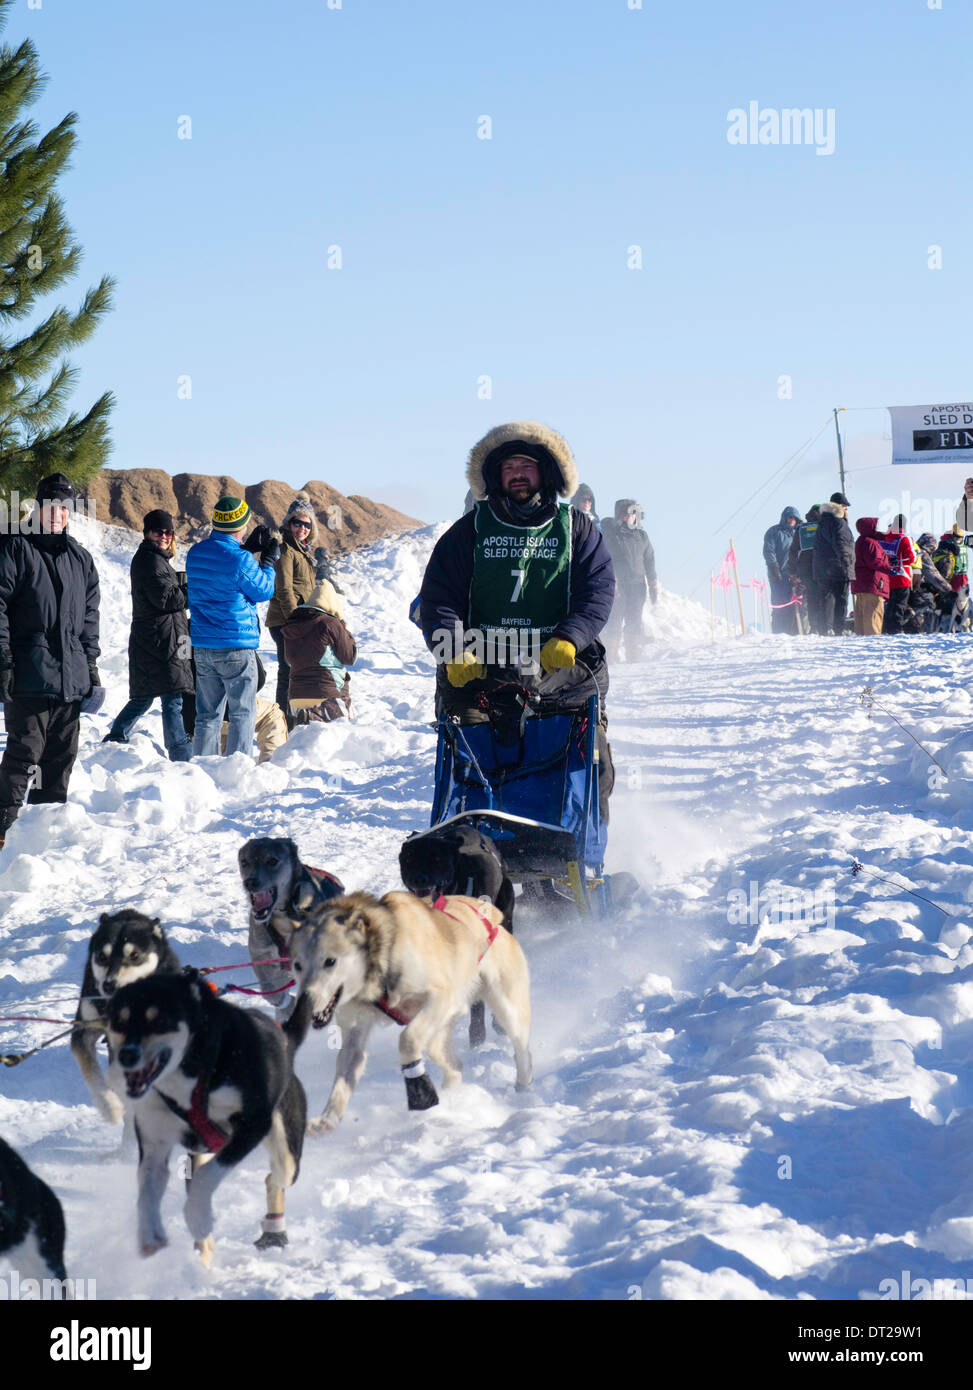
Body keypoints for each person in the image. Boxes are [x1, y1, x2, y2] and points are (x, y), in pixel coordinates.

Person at [418, 421, 615, 815]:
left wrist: (571, 637)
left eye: (527, 466)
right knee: (471, 763)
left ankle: (584, 856)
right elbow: (440, 598)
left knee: (590, 763)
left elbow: (598, 590)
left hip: (561, 672)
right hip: (481, 675)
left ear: (546, 472)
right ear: (494, 476)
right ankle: (472, 851)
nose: (518, 475)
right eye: (509, 468)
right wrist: (453, 650)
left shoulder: (576, 528)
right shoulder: (467, 531)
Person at [0, 474, 100, 845]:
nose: (57, 513)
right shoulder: (14, 548)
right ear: (38, 506)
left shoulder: (80, 558)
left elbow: (90, 619)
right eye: (51, 505)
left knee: (59, 760)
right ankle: (3, 834)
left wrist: (90, 666)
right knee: (24, 755)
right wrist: (4, 660)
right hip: (27, 674)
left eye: (64, 507)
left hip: (68, 679)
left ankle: (43, 841)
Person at [185, 496, 278, 758]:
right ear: (241, 524)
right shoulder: (241, 560)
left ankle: (203, 766)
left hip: (203, 644)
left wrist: (245, 549)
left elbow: (221, 572)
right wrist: (268, 564)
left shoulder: (196, 553)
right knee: (242, 713)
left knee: (207, 715)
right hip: (235, 644)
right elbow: (263, 590)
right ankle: (237, 769)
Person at [102, 510, 193, 760]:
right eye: (158, 531)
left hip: (158, 639)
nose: (163, 536)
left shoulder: (155, 559)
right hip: (160, 641)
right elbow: (167, 599)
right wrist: (192, 586)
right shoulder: (151, 560)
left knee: (146, 695)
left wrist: (181, 583)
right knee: (172, 697)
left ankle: (117, 735)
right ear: (147, 533)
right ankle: (180, 755)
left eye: (168, 532)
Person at [265, 492, 317, 720]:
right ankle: (284, 722)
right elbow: (284, 589)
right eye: (298, 523)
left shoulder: (302, 551)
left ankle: (296, 718)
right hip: (285, 621)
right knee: (288, 671)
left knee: (296, 670)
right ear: (289, 523)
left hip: (297, 621)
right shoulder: (286, 549)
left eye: (307, 524)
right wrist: (294, 622)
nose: (302, 528)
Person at [280, 579, 357, 722]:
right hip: (326, 693)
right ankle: (317, 713)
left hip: (296, 695)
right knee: (340, 738)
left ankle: (308, 715)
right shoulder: (330, 623)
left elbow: (288, 659)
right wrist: (344, 630)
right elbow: (350, 656)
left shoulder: (292, 623)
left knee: (308, 742)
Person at [601, 499, 657, 661]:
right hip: (617, 585)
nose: (629, 516)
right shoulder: (610, 534)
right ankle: (610, 658)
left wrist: (652, 581)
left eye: (633, 512)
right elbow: (605, 559)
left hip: (638, 585)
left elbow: (649, 559)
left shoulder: (641, 536)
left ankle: (633, 657)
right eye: (625, 512)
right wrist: (612, 582)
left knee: (634, 621)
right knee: (615, 621)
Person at [812, 491, 855, 635]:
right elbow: (841, 544)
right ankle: (838, 629)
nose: (846, 509)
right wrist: (847, 563)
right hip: (838, 567)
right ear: (839, 507)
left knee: (824, 600)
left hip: (822, 569)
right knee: (841, 600)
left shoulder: (823, 522)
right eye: (845, 506)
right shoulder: (839, 523)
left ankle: (824, 629)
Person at [762, 506, 802, 633]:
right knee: (779, 604)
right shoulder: (774, 531)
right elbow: (768, 551)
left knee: (794, 605)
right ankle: (778, 632)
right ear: (784, 517)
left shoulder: (798, 534)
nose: (791, 520)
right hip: (778, 575)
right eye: (790, 517)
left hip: (794, 576)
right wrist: (774, 568)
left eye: (794, 518)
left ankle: (793, 632)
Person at [851, 518, 892, 635]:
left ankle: (861, 643)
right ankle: (873, 643)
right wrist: (891, 567)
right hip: (873, 584)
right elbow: (874, 561)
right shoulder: (870, 543)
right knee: (873, 615)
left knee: (861, 617)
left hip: (862, 584)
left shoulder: (861, 541)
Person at [879, 514, 917, 635]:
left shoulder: (884, 538)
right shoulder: (904, 538)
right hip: (902, 576)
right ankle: (896, 629)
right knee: (900, 605)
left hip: (887, 576)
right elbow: (912, 558)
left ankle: (886, 628)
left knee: (890, 604)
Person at [787, 504, 822, 635]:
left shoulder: (802, 529)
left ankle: (814, 628)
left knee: (810, 599)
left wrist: (792, 572)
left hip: (805, 569)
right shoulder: (825, 527)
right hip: (823, 569)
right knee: (823, 599)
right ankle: (822, 627)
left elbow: (793, 551)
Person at [910, 533, 954, 633]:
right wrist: (948, 589)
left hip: (907, 587)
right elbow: (933, 575)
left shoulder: (913, 552)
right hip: (919, 590)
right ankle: (926, 634)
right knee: (928, 607)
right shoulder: (923, 555)